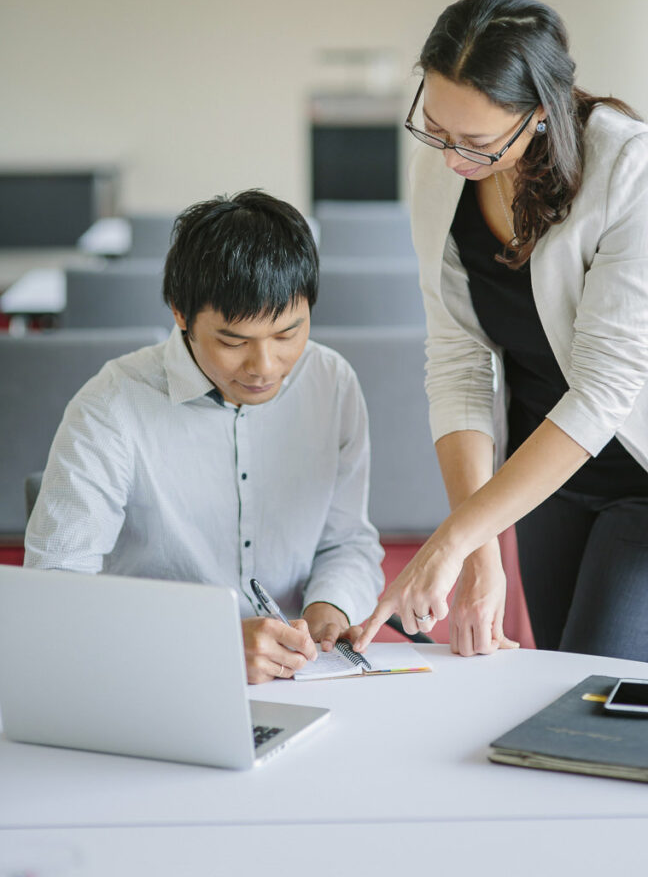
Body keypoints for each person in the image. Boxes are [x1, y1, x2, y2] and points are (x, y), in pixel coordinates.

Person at [356, 0, 648, 662]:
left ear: (539, 114)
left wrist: (447, 540)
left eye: (475, 141)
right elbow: (456, 360)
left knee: (588, 686)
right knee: (549, 673)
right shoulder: (441, 174)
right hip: (544, 470)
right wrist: (477, 553)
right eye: (435, 130)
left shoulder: (632, 166)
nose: (450, 157)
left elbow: (602, 390)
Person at [24, 190, 384, 683]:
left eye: (287, 335)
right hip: (147, 681)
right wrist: (207, 646)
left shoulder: (331, 381)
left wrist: (329, 609)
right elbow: (53, 593)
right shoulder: (113, 404)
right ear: (181, 314)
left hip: (296, 678)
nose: (264, 367)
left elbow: (348, 542)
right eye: (234, 342)